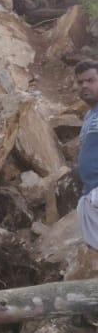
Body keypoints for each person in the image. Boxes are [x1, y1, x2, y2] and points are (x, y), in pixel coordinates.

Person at [75, 59, 98, 248]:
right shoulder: (89, 116)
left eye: (91, 80)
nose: (84, 85)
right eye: (80, 82)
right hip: (90, 194)